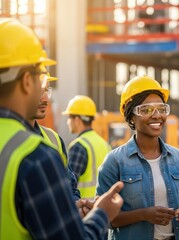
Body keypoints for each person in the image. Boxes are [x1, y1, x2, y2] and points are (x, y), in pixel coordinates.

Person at [0, 18, 123, 239]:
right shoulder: (34, 157)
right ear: (27, 81)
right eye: (41, 80)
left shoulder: (52, 141)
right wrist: (102, 214)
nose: (45, 95)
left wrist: (70, 206)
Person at [96, 75, 179, 240]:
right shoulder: (114, 162)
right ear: (131, 116)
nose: (157, 115)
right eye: (147, 110)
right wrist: (143, 215)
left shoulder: (178, 158)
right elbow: (103, 218)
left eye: (161, 109)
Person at [29, 65, 94, 217]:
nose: (45, 98)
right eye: (39, 90)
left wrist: (75, 206)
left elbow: (69, 187)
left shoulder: (54, 139)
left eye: (47, 89)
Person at [62, 95, 111, 199]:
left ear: (77, 120)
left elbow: (68, 186)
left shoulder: (78, 146)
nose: (67, 122)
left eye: (68, 118)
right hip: (104, 208)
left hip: (84, 210)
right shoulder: (105, 144)